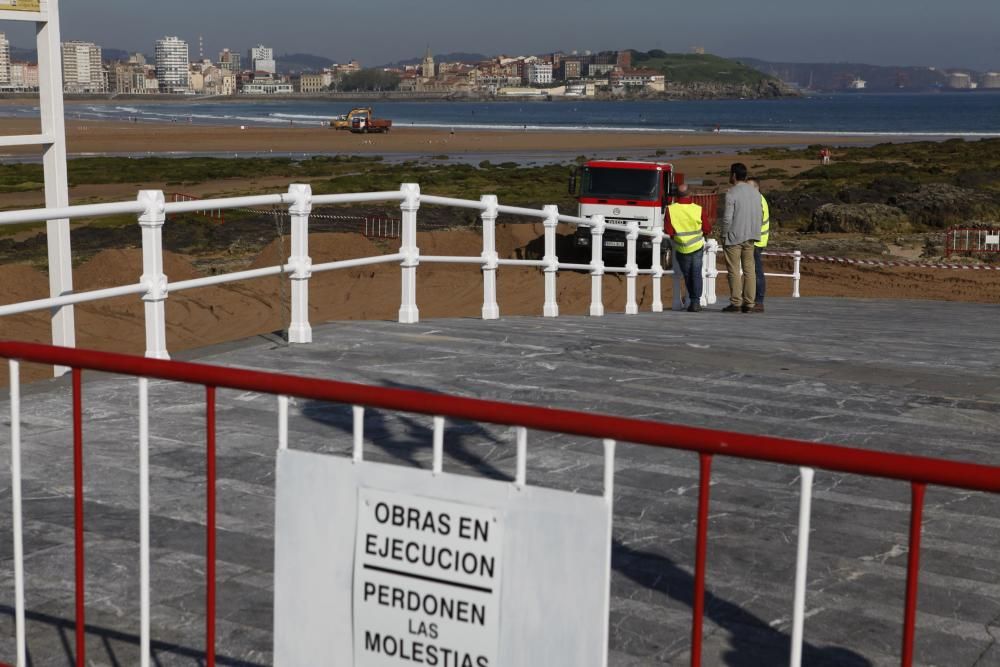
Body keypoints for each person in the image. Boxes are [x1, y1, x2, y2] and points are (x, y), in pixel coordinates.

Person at [721, 163, 762, 313]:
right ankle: (750, 303)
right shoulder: (755, 192)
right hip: (751, 235)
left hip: (734, 236)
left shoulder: (732, 193)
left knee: (734, 269)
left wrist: (724, 234)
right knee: (750, 270)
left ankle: (736, 302)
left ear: (733, 175)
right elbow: (760, 214)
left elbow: (727, 218)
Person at [665, 183, 712, 311]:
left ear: (677, 195)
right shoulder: (698, 209)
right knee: (696, 274)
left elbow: (668, 230)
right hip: (696, 246)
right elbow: (707, 228)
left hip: (681, 247)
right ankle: (695, 302)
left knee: (687, 275)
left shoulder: (670, 209)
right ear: (690, 194)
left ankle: (693, 300)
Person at [748, 178, 770, 313]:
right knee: (754, 271)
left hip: (756, 241)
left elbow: (755, 222)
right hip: (757, 240)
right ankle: (754, 299)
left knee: (756, 272)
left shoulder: (757, 202)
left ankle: (759, 300)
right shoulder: (759, 200)